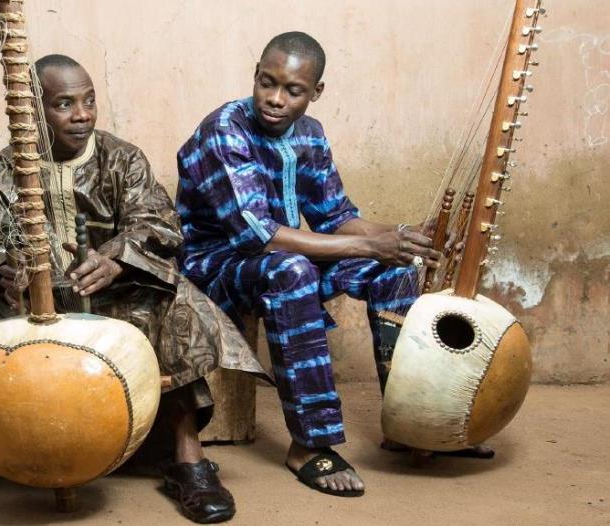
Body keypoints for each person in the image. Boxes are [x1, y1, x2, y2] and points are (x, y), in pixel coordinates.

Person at [0, 54, 262, 524]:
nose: (82, 114)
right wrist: (5, 270)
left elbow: (158, 224)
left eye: (89, 100)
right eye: (64, 104)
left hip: (110, 297)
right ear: (33, 112)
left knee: (178, 302)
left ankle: (187, 461)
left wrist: (116, 257)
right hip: (24, 305)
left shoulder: (122, 159)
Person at [176, 32, 491, 498]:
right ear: (256, 73)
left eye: (293, 90)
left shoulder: (310, 134)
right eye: (267, 82)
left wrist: (399, 238)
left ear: (315, 92)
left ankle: (408, 425)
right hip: (217, 266)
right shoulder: (225, 129)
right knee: (292, 271)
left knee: (396, 270)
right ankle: (309, 444)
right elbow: (258, 237)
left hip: (285, 255)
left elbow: (336, 216)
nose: (275, 99)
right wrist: (368, 247)